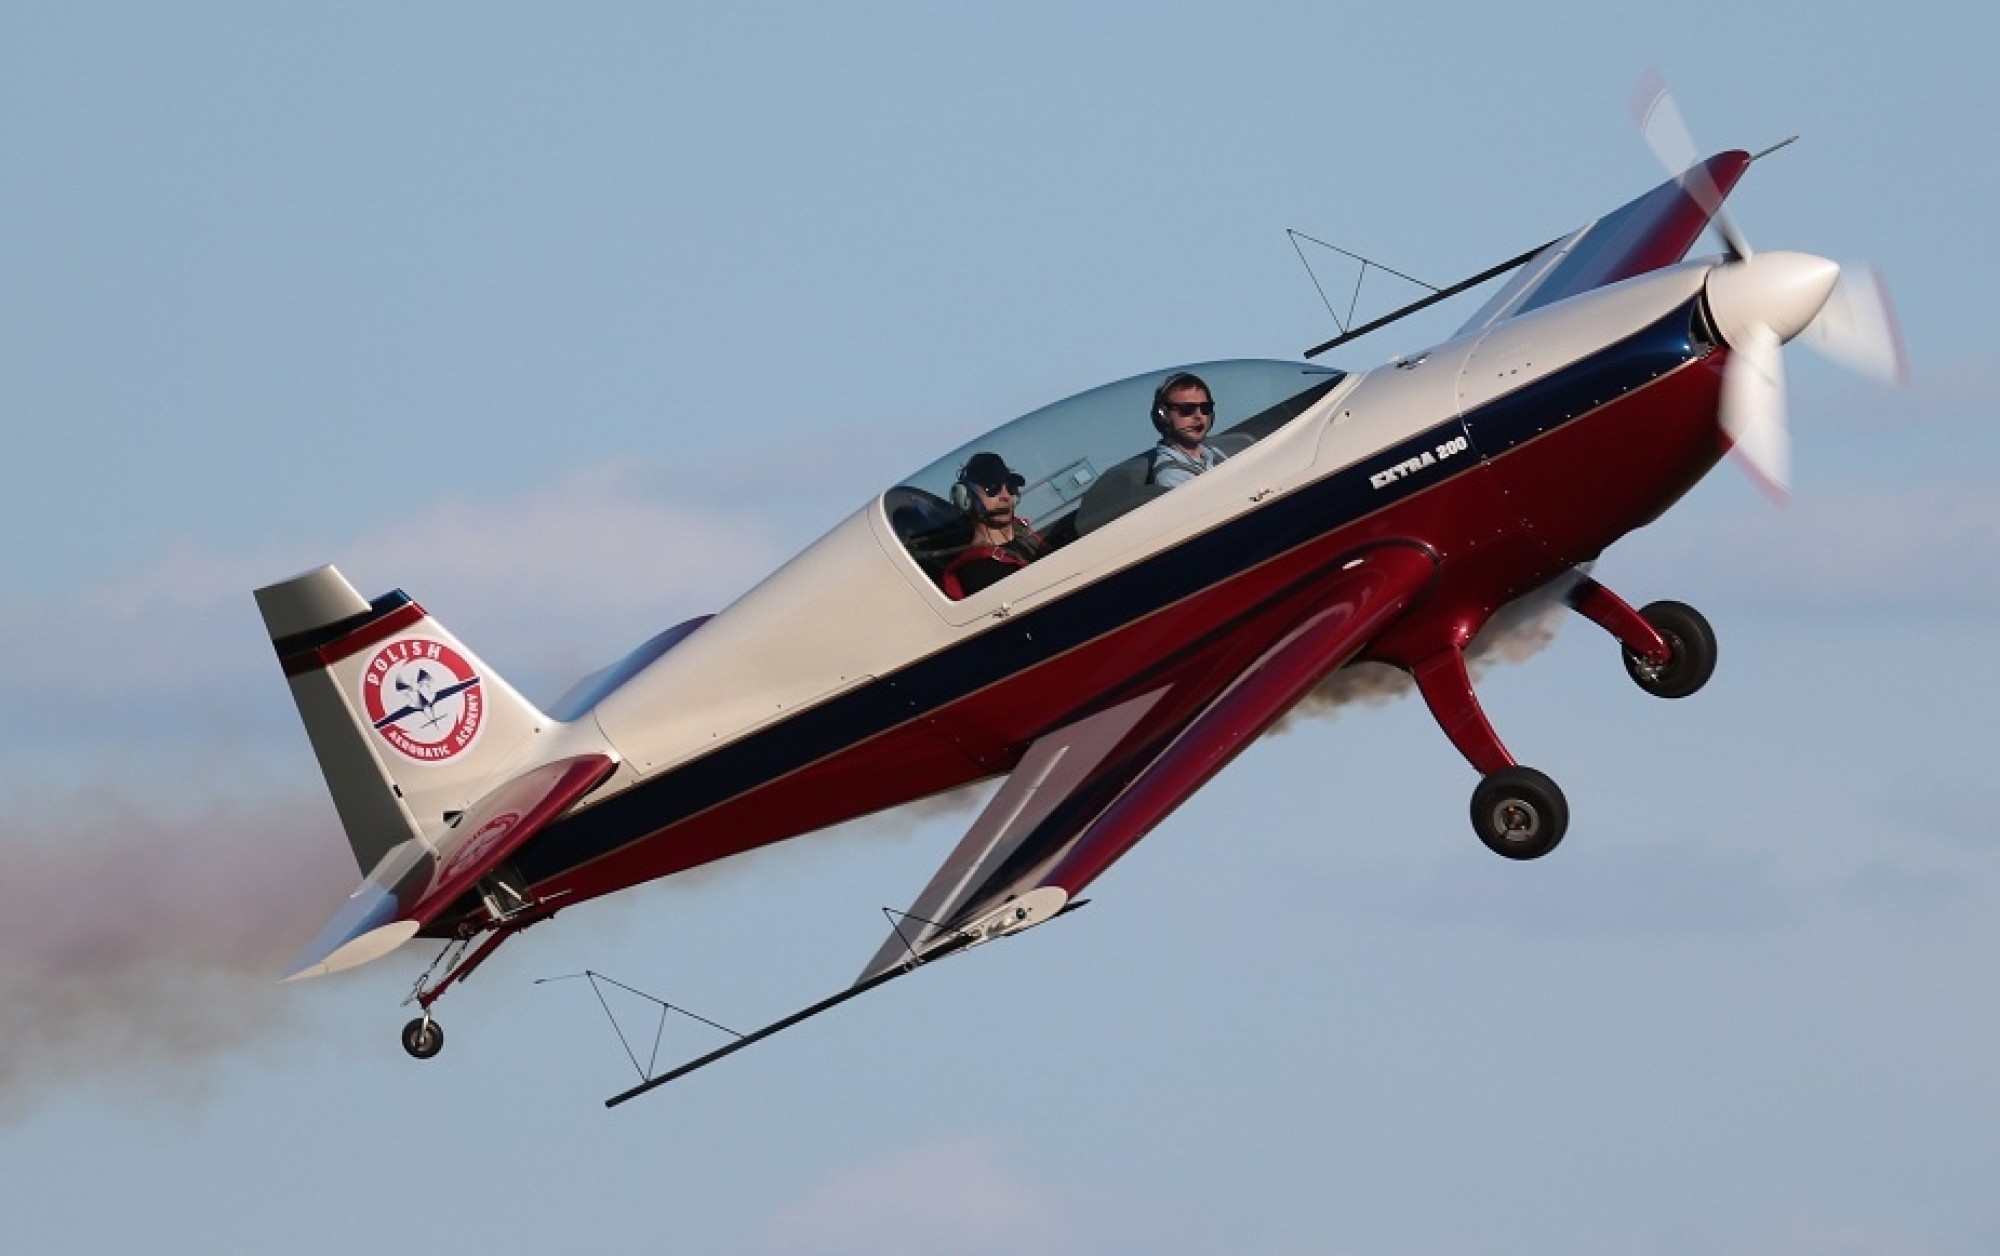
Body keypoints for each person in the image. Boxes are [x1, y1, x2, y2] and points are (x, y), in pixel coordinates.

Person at [938, 451, 1045, 600]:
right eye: (992, 488)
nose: (1005, 496)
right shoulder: (979, 570)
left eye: (1010, 487)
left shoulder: (1024, 534)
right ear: (966, 497)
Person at [1148, 372, 1227, 487]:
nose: (1199, 416)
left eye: (1205, 408)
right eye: (1187, 409)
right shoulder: (1172, 475)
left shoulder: (1213, 453)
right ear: (1163, 416)